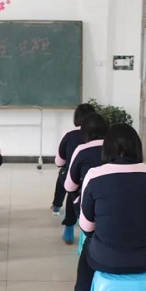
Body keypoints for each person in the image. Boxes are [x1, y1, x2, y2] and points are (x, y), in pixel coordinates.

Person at [67, 123, 146, 291]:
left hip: (105, 258)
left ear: (106, 149)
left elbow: (86, 227)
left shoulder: (95, 175)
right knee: (139, 242)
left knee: (88, 244)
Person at [51, 103, 96, 244]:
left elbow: (59, 162)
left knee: (70, 183)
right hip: (99, 182)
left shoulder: (70, 135)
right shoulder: (105, 139)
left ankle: (68, 227)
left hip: (76, 181)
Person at [64, 112, 109, 221]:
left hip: (89, 204)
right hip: (112, 202)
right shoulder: (114, 148)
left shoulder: (82, 149)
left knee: (68, 182)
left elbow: (69, 186)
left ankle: (69, 223)